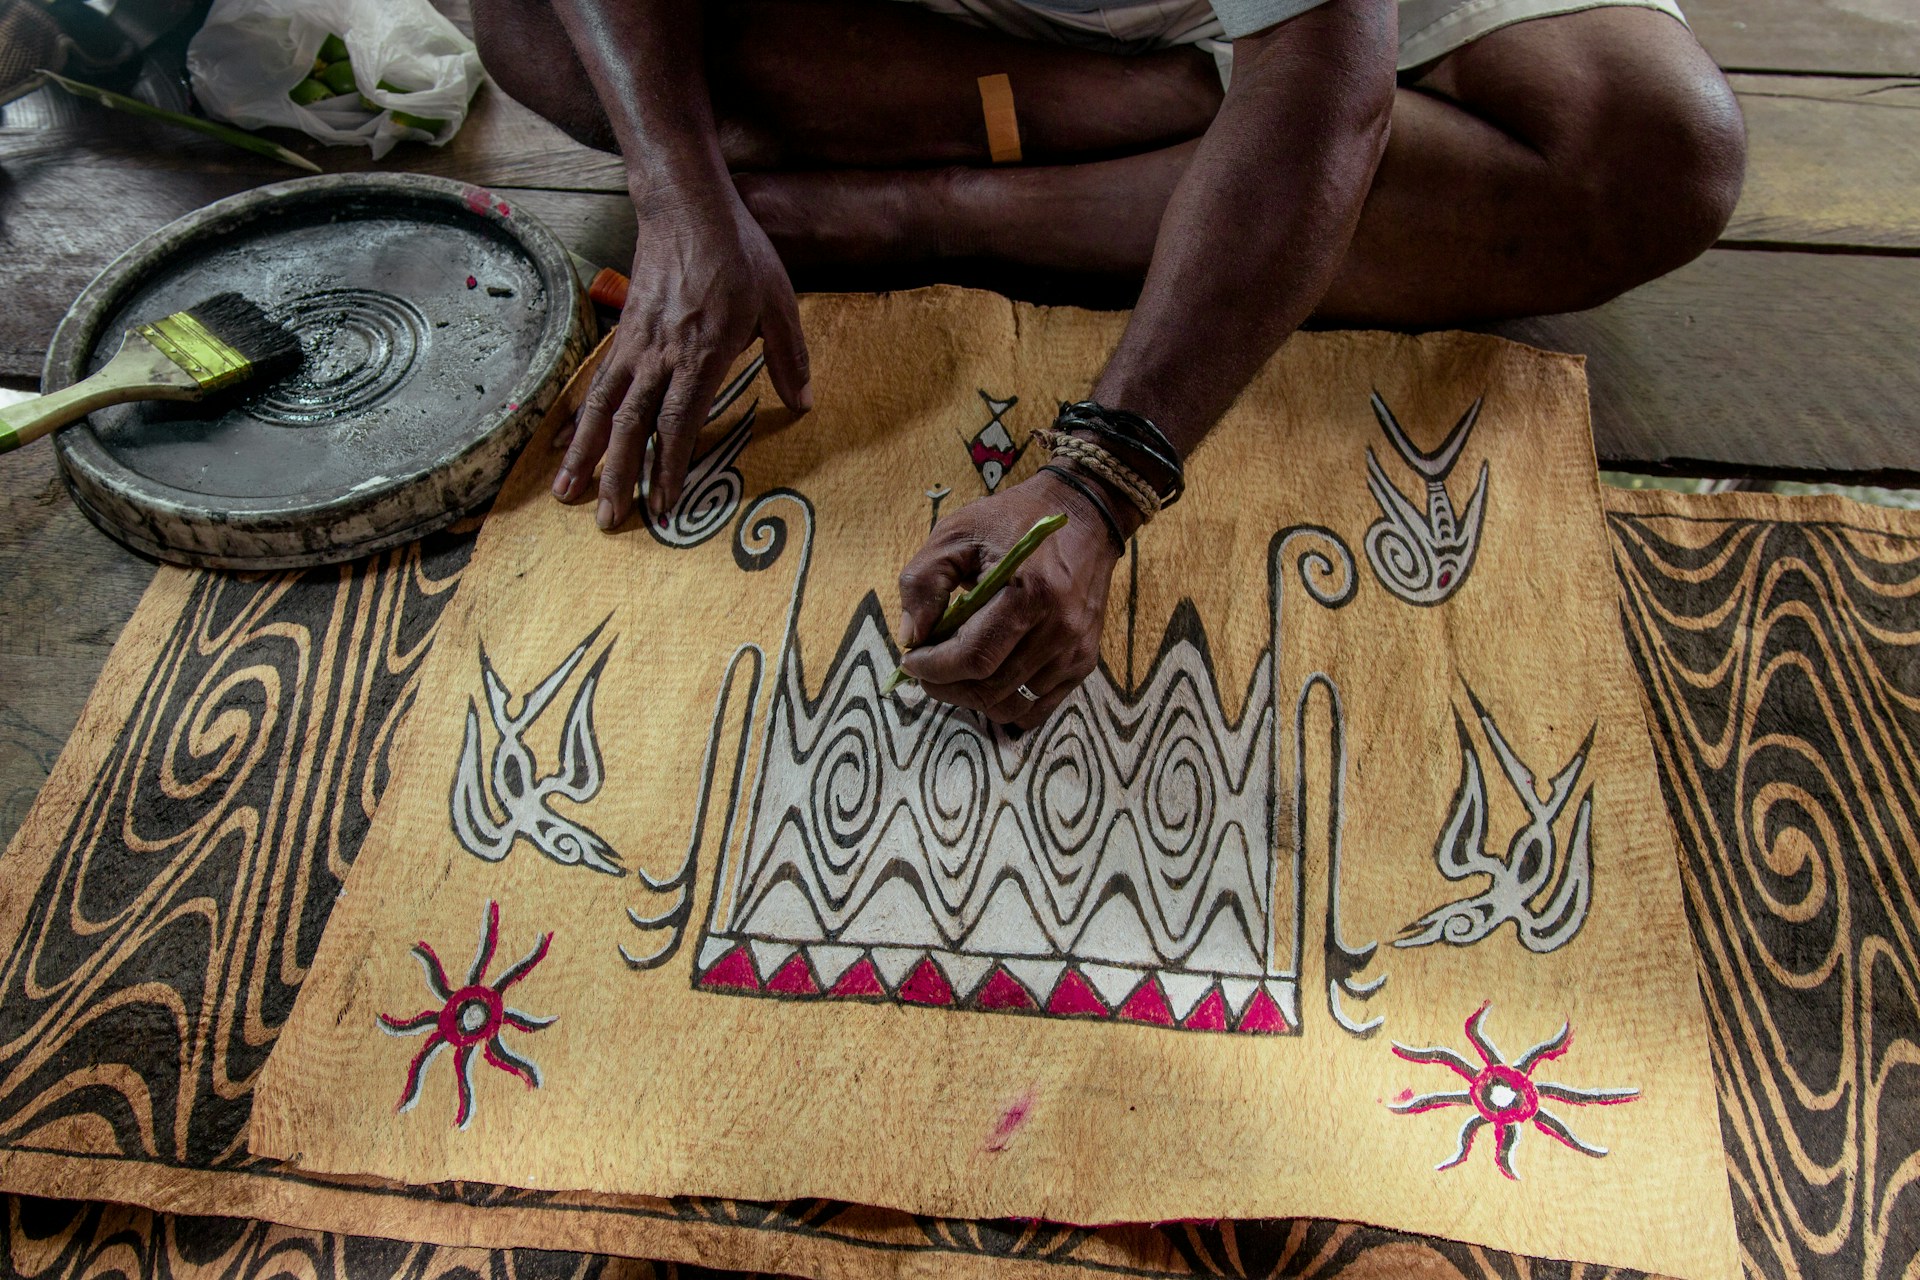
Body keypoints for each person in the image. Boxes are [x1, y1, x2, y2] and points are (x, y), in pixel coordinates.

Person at [473, 0, 1745, 728]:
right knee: (531, 27)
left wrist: (1099, 480)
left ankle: (927, 205)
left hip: (1294, 28)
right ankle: (1138, 111)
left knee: (1652, 151)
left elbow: (1322, 85)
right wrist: (678, 192)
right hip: (949, 31)